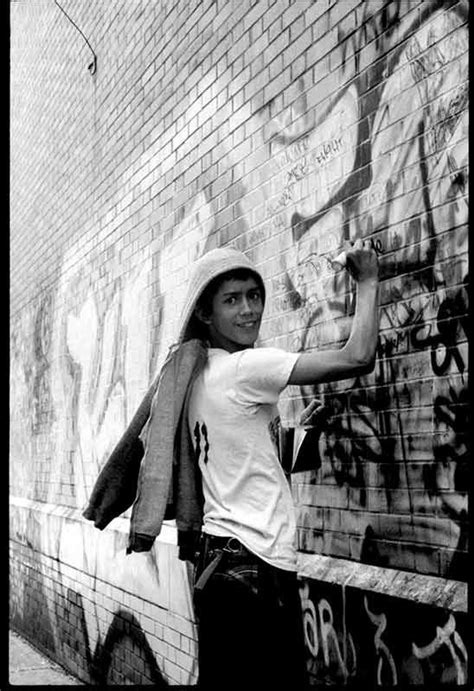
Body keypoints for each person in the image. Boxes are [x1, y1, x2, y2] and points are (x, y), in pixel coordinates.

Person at [181, 240, 379, 689]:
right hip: (254, 568)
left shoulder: (198, 377)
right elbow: (357, 357)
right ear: (205, 315)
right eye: (232, 300)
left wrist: (296, 439)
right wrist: (367, 280)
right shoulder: (243, 369)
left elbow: (244, 466)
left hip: (220, 566)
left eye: (254, 296)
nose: (249, 310)